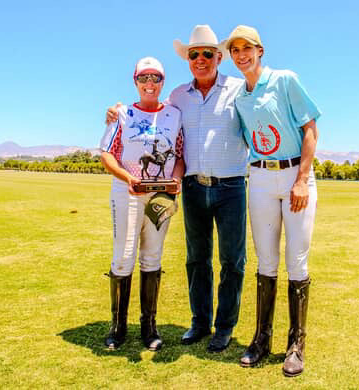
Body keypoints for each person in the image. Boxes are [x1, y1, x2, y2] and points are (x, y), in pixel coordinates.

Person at [107, 25, 248, 352]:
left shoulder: (239, 89)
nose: (201, 59)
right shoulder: (177, 96)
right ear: (188, 59)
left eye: (207, 54)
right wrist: (115, 110)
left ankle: (224, 327)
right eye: (194, 54)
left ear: (219, 57)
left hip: (231, 187)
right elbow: (148, 110)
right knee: (197, 259)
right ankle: (199, 323)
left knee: (232, 260)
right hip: (191, 187)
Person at [225, 25, 322, 377]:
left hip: (295, 175)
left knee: (296, 262)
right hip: (260, 177)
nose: (242, 55)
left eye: (247, 48)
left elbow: (310, 129)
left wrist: (301, 180)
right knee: (266, 260)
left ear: (260, 50)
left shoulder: (284, 80)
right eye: (235, 50)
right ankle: (261, 339)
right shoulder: (239, 95)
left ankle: (296, 345)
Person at [99, 56, 184, 352]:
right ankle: (118, 326)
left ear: (163, 82)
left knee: (153, 255)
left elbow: (180, 155)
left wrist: (176, 181)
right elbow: (107, 155)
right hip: (127, 192)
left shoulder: (174, 115)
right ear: (135, 81)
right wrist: (127, 178)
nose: (150, 84)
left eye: (156, 78)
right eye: (144, 78)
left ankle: (149, 327)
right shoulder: (122, 114)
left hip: (162, 194)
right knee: (123, 256)